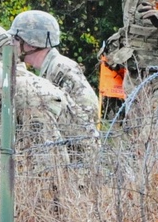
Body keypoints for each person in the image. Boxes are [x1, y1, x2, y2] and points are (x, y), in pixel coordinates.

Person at [8, 10, 99, 138]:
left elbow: (86, 119)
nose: (12, 43)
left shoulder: (62, 68)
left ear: (31, 44)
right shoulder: (48, 68)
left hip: (78, 146)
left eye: (16, 39)